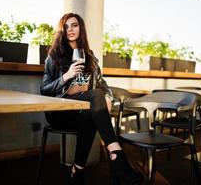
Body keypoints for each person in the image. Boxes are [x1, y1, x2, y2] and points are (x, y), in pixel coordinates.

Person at [40, 13, 143, 185]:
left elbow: (102, 83)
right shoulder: (54, 56)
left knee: (92, 111)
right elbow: (44, 89)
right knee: (96, 95)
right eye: (66, 27)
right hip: (61, 113)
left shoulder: (90, 57)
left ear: (81, 28)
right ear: (62, 31)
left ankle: (77, 172)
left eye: (74, 25)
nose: (70, 30)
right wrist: (66, 76)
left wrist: (108, 97)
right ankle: (116, 154)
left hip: (83, 112)